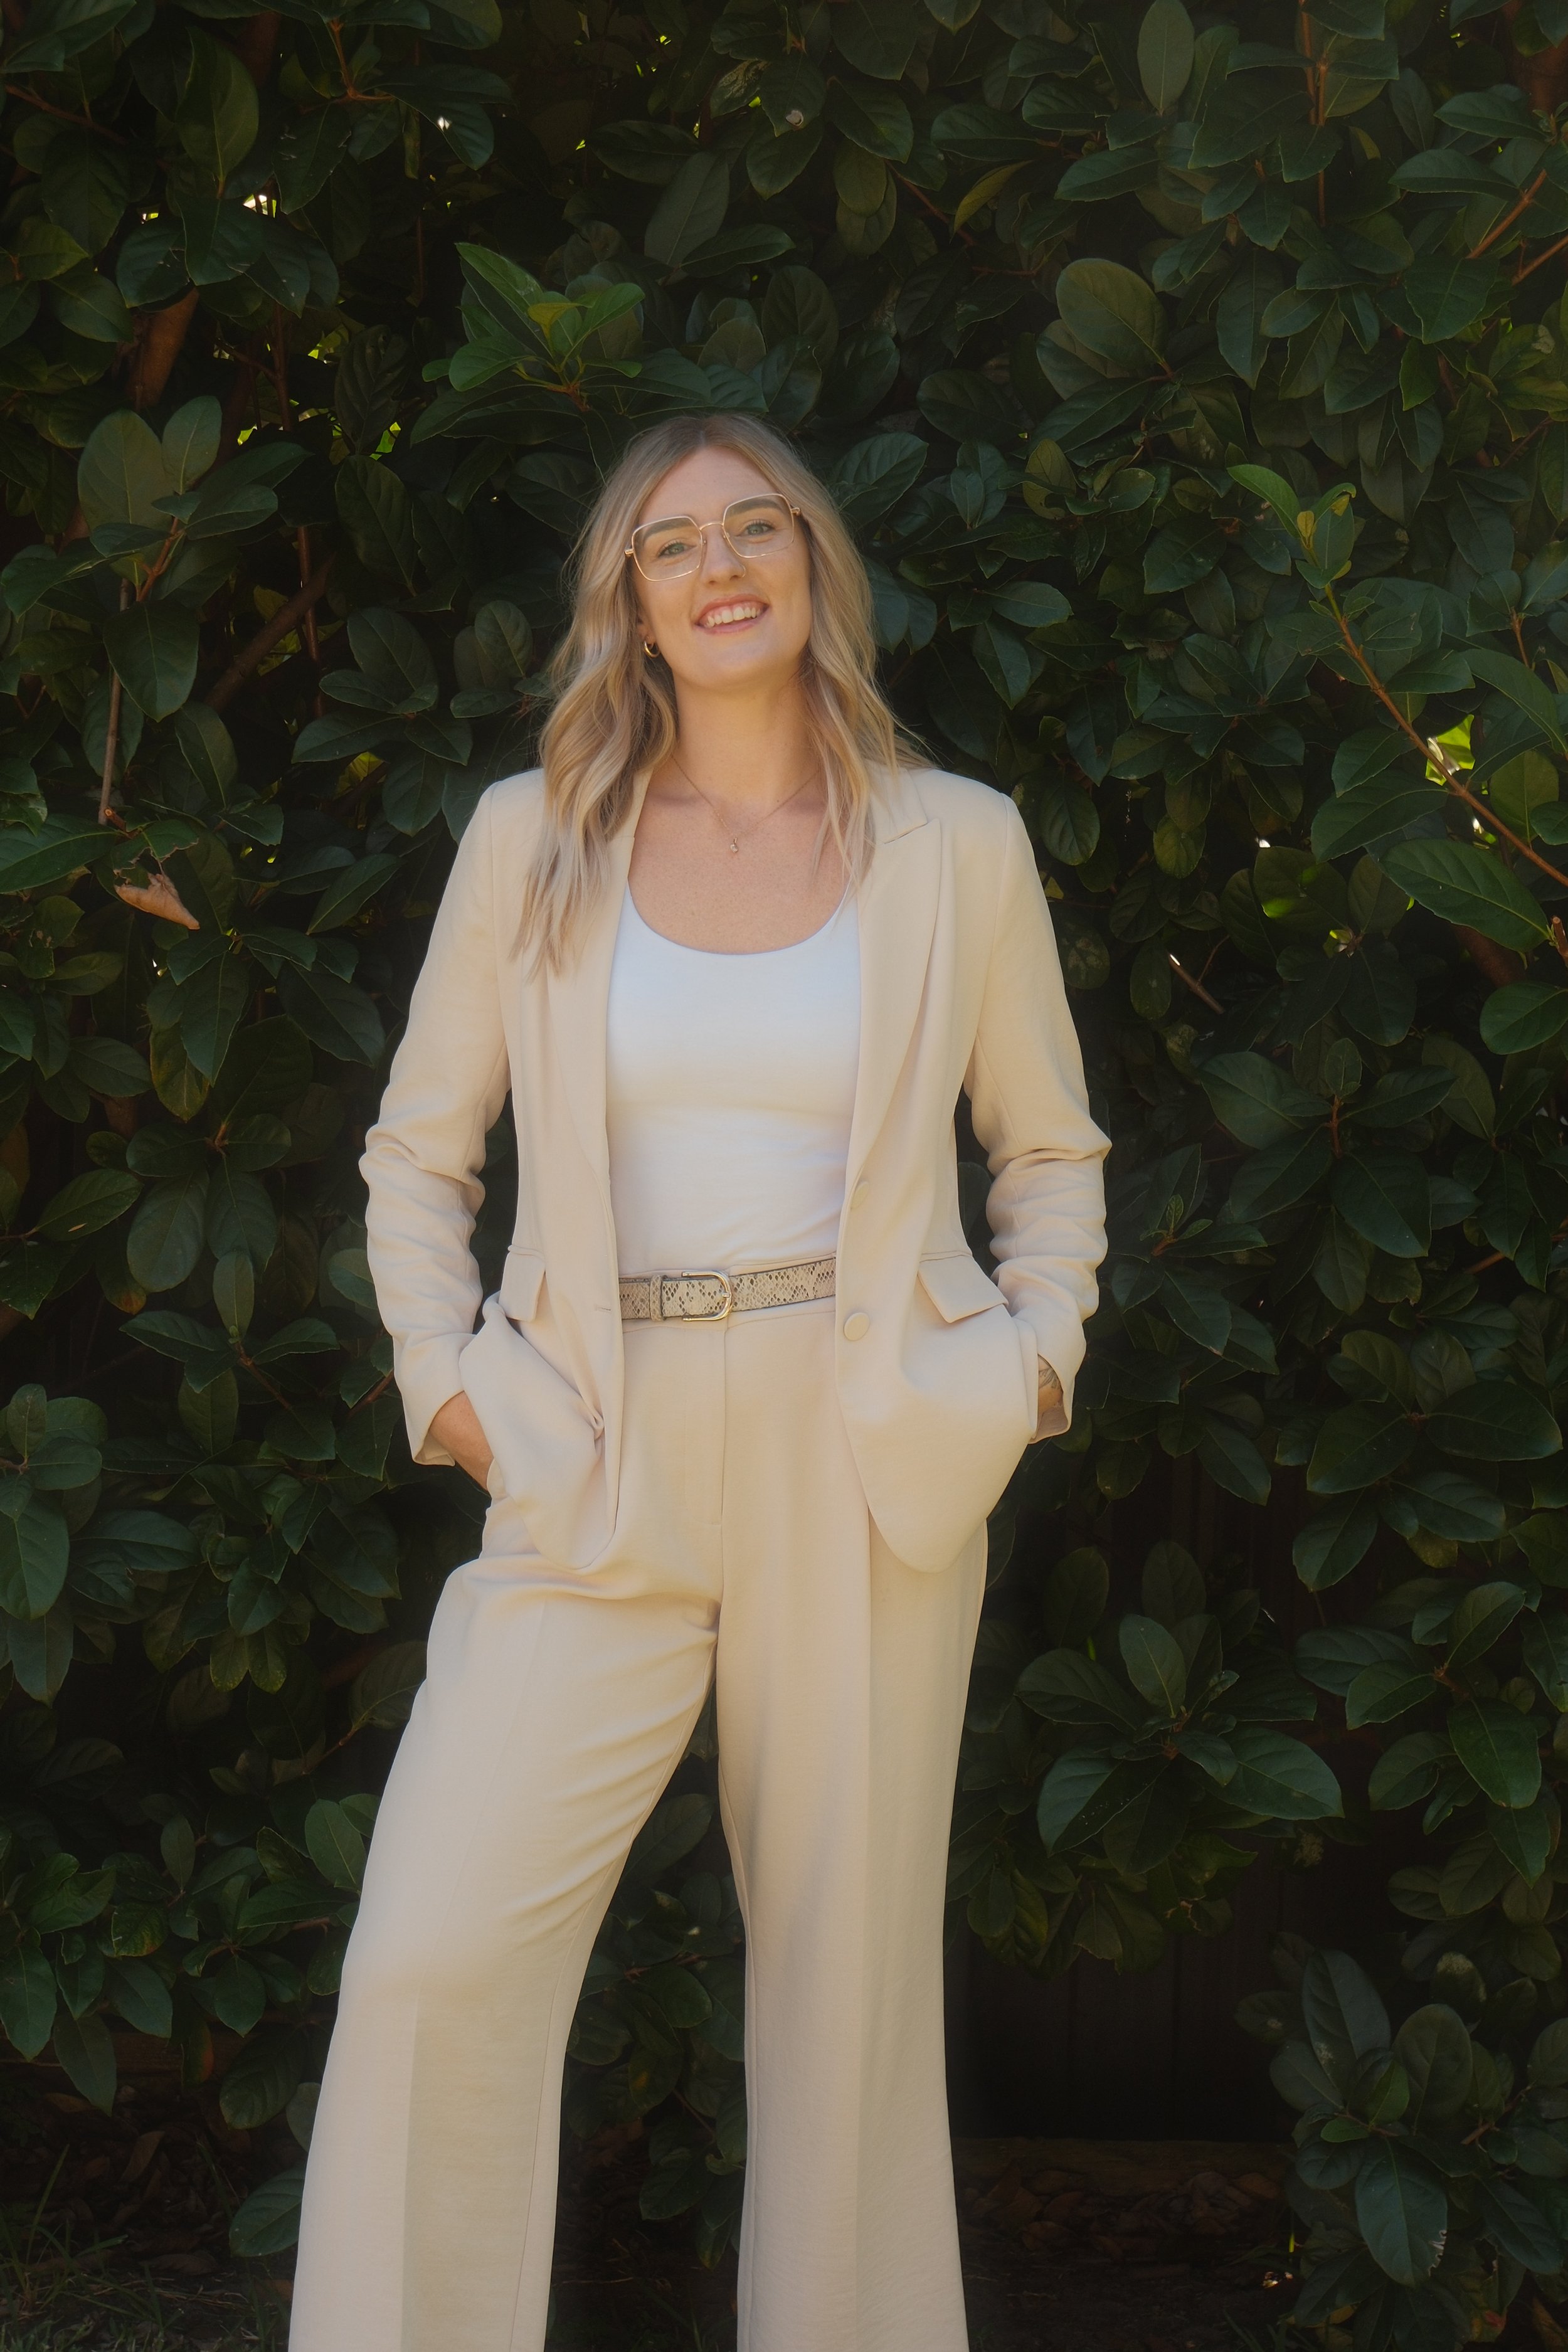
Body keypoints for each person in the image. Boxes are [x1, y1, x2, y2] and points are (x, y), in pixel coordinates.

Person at [287, 409, 1110, 2352]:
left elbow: (1048, 1155)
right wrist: (445, 1383)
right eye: (671, 548)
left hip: (866, 1448)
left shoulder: (955, 844)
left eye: (757, 529)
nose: (719, 565)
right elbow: (421, 1153)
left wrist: (1029, 1365)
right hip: (591, 1441)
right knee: (427, 1956)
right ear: (632, 606)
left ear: (814, 567)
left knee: (842, 2012)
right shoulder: (534, 836)